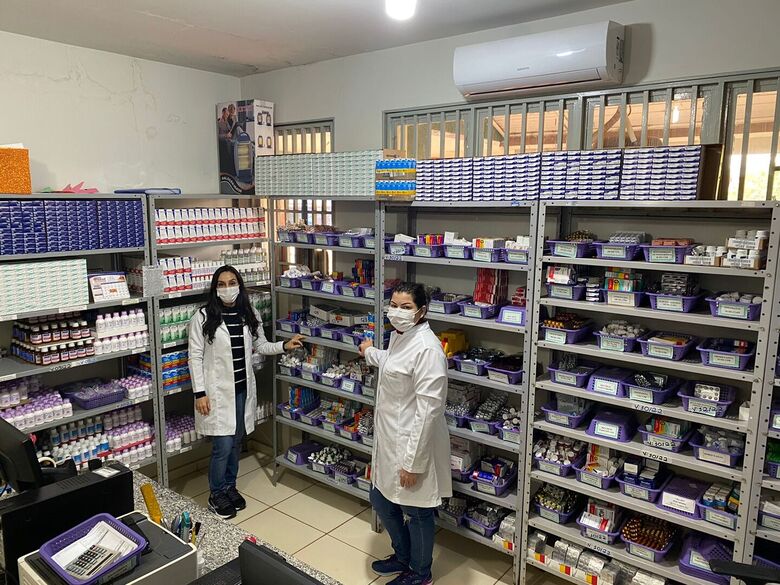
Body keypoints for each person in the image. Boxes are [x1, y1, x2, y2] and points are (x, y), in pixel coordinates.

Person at [189, 265, 303, 519]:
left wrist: (284, 346)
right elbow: (194, 357)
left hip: (241, 389)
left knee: (236, 442)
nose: (227, 288)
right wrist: (200, 393)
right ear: (214, 289)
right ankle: (216, 494)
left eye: (232, 282)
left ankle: (230, 487)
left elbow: (261, 345)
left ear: (239, 285)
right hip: (217, 393)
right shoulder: (202, 317)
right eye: (221, 284)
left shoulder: (249, 313)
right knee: (222, 446)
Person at [359, 282, 450, 585]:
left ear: (421, 311)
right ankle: (403, 556)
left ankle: (421, 573)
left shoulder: (428, 349)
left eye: (406, 307)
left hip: (412, 443)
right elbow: (392, 363)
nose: (397, 312)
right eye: (394, 305)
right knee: (380, 498)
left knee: (417, 510)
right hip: (389, 440)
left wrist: (413, 463)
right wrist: (370, 352)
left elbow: (429, 411)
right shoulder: (399, 335)